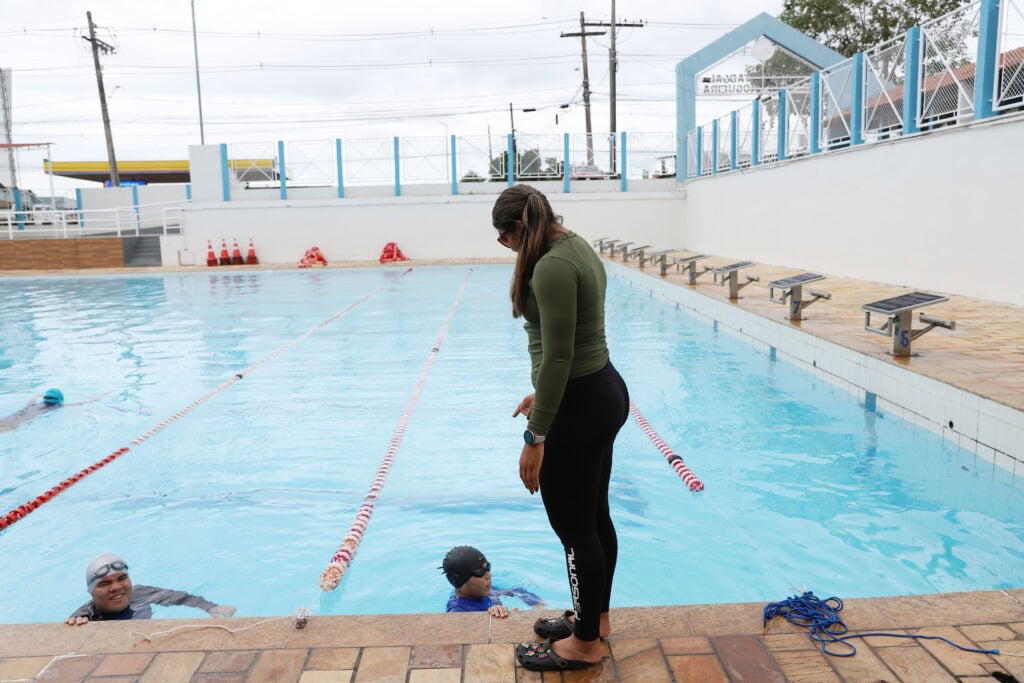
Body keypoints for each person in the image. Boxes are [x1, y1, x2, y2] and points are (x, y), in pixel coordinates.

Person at [491, 185, 630, 672]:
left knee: (574, 529)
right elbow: (574, 344)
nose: (503, 246)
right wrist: (542, 396)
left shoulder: (550, 267)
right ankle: (596, 620)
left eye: (503, 236)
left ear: (520, 227)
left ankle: (585, 646)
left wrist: (536, 435)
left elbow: (559, 356)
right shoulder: (574, 246)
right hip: (600, 390)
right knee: (594, 516)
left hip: (580, 403)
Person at [66, 553, 236, 624]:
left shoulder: (140, 593)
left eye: (122, 578)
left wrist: (211, 607)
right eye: (105, 583)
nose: (116, 587)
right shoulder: (88, 615)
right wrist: (77, 620)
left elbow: (178, 597)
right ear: (91, 592)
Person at [441, 545, 544, 618]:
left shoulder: (483, 590)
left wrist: (539, 605)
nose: (489, 575)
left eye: (488, 568)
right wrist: (500, 623)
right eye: (481, 572)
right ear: (462, 580)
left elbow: (518, 591)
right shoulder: (458, 611)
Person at [0, 388, 66, 433]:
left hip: (14, 415)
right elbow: (66, 405)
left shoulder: (33, 405)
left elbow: (33, 399)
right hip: (20, 421)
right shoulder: (53, 407)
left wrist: (37, 396)